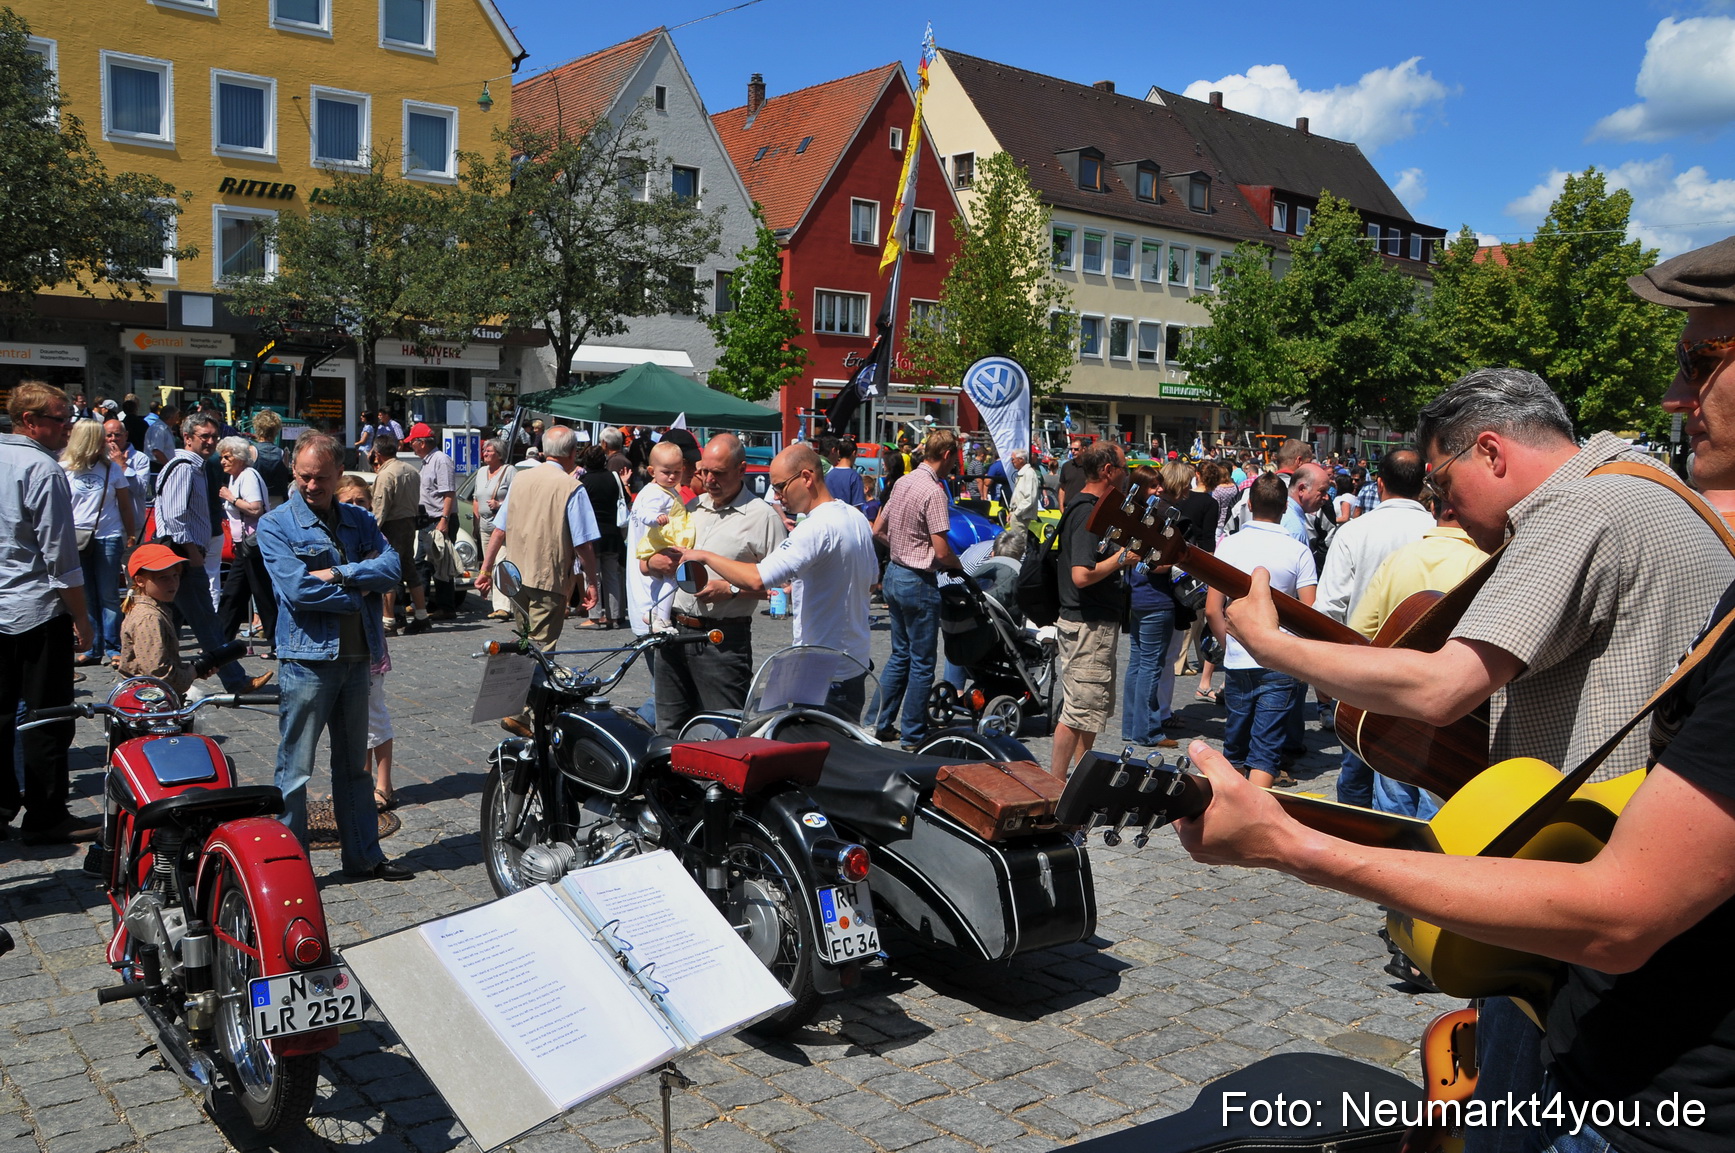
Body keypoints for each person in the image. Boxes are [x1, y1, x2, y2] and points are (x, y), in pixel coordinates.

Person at [1223, 366, 1735, 1153]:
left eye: (1444, 476)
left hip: (1570, 918)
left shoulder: (1575, 503)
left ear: (1491, 451)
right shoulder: (1665, 493)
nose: (1440, 502)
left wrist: (1272, 646)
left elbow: (1441, 686)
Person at [258, 434, 411, 880]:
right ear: (293, 471)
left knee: (354, 768)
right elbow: (297, 590)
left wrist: (340, 573)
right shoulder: (276, 525)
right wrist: (358, 593)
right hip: (307, 660)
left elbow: (393, 568)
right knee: (295, 771)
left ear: (340, 475)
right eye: (304, 476)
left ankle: (364, 857)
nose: (311, 485)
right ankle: (291, 871)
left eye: (321, 477)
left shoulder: (358, 519)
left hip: (358, 656)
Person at [679, 443, 876, 716]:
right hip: (852, 663)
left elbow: (759, 579)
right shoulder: (855, 517)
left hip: (822, 671)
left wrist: (704, 556)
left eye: (781, 486)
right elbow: (871, 582)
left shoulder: (815, 529)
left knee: (807, 752)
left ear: (806, 478)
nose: (777, 495)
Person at [1346, 488, 1487, 818]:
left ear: (1433, 507)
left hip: (1392, 700)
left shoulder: (1399, 558)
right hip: (1457, 710)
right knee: (1437, 807)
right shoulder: (1484, 564)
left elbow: (1361, 631)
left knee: (1392, 805)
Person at [1, 383, 99, 845]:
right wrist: (82, 618)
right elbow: (62, 560)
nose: (69, 427)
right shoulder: (42, 469)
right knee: (47, 716)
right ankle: (45, 815)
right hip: (36, 610)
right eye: (61, 419)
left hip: (8, 605)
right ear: (30, 421)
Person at [1311, 448, 1432, 807]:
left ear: (1379, 484)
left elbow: (1329, 607)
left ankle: (1357, 841)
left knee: (1357, 769)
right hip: (1425, 670)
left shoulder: (1354, 532)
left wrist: (1323, 674)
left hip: (1361, 668)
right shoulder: (1436, 530)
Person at [645, 434, 785, 733]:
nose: (708, 479)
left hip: (721, 640)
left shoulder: (762, 518)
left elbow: (783, 587)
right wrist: (651, 564)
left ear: (741, 469)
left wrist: (732, 588)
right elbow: (646, 558)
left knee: (722, 731)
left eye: (718, 473)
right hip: (673, 632)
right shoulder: (690, 508)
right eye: (703, 471)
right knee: (668, 729)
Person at [475, 425, 601, 737]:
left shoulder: (520, 480)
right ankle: (524, 713)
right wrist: (593, 581)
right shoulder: (571, 487)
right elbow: (584, 543)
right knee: (542, 648)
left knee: (523, 642)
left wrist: (486, 568)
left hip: (516, 577)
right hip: (549, 577)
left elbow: (499, 530)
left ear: (544, 451)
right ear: (572, 454)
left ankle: (517, 707)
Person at [1206, 474, 1318, 790]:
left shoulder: (1229, 545)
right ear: (1285, 507)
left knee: (1235, 743)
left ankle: (1226, 805)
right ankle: (1255, 815)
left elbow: (1213, 608)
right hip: (1280, 657)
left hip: (1240, 656)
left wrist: (1232, 645)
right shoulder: (1298, 551)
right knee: (1267, 749)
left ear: (1250, 504)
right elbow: (1309, 614)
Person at [153, 412, 269, 696]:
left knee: (172, 621)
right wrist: (193, 555)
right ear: (188, 438)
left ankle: (159, 676)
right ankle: (235, 679)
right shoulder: (184, 467)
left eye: (213, 436)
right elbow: (176, 518)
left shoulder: (197, 466)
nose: (210, 441)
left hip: (182, 555)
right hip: (182, 555)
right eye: (204, 436)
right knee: (206, 622)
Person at [873, 429, 965, 748]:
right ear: (946, 455)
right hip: (918, 580)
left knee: (900, 655)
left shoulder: (903, 481)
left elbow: (878, 529)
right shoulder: (934, 491)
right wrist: (958, 565)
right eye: (954, 457)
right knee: (923, 661)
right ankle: (913, 733)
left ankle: (880, 722)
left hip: (895, 573)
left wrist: (902, 547)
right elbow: (941, 551)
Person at [1049, 442, 1131, 779]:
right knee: (1077, 712)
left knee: (1089, 712)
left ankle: (1080, 782)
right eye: (1124, 469)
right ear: (1108, 471)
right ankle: (1053, 787)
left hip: (1092, 624)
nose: (1127, 477)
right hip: (1087, 626)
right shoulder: (1087, 511)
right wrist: (1122, 558)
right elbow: (1081, 575)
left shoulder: (1088, 506)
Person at [336, 475, 399, 812]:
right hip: (340, 644)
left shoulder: (377, 538)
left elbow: (381, 575)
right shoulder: (336, 535)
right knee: (352, 721)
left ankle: (384, 784)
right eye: (348, 501)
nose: (355, 507)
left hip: (368, 642)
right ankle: (359, 782)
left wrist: (343, 580)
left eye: (361, 501)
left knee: (375, 716)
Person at [61, 420, 136, 668]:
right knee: (87, 596)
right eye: (101, 437)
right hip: (77, 539)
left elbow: (125, 505)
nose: (108, 441)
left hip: (108, 536)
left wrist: (130, 533)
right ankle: (92, 647)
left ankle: (113, 647)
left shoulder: (111, 469)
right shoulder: (65, 469)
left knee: (108, 596)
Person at [1121, 466, 1176, 751]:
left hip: (1136, 597)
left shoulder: (1129, 516)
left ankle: (1132, 727)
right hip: (1155, 599)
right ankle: (1148, 731)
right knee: (1150, 667)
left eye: (1160, 485)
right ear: (1141, 488)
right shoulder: (1155, 519)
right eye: (1154, 486)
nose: (1160, 490)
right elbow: (1161, 564)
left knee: (1137, 664)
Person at [118, 544, 210, 694]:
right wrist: (189, 674)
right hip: (150, 699)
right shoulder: (149, 617)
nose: (173, 583)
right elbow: (158, 672)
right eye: (163, 578)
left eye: (175, 576)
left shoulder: (154, 609)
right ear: (140, 581)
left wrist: (187, 668)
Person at [215, 436, 275, 655]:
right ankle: (220, 641)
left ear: (239, 457)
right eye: (221, 457)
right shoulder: (235, 477)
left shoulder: (248, 476)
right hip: (244, 546)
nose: (222, 461)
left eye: (227, 456)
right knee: (234, 593)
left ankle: (279, 641)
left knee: (263, 594)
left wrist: (230, 498)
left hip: (255, 545)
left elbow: (256, 509)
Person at [632, 441, 698, 632]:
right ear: (652, 471)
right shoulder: (655, 492)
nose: (671, 477)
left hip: (666, 538)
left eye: (676, 472)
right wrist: (655, 518)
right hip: (664, 539)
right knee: (671, 579)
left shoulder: (666, 490)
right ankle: (662, 617)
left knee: (660, 580)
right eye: (666, 472)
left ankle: (653, 612)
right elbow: (645, 513)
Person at [370, 433, 431, 635]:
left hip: (392, 525)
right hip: (409, 523)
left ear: (377, 454)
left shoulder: (386, 475)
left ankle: (388, 621)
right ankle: (421, 615)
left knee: (388, 571)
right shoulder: (412, 471)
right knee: (409, 569)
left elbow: (380, 507)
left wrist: (371, 532)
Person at [408, 423, 459, 620]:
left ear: (421, 443)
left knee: (440, 564)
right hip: (426, 520)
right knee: (421, 562)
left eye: (412, 442)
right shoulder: (427, 461)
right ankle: (421, 603)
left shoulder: (441, 460)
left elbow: (449, 493)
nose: (411, 445)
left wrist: (444, 520)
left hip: (438, 520)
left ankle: (446, 607)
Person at [473, 437, 515, 621]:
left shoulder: (509, 471)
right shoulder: (481, 472)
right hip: (484, 526)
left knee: (500, 563)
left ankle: (503, 607)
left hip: (503, 526)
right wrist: (477, 518)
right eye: (484, 450)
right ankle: (495, 603)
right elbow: (476, 497)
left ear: (499, 454)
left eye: (489, 451)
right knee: (488, 565)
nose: (485, 453)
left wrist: (499, 504)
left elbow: (517, 497)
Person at [104, 417, 152, 514]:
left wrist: (122, 466)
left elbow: (140, 489)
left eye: (117, 435)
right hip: (107, 523)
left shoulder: (140, 458)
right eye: (109, 435)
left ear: (126, 435)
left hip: (133, 520)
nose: (113, 439)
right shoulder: (99, 458)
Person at [251, 410, 290, 504]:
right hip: (277, 502)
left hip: (256, 499)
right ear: (276, 430)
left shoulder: (251, 451)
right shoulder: (284, 453)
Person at [822, 435, 866, 511]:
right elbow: (857, 507)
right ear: (854, 453)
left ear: (838, 452)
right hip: (848, 519)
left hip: (829, 517)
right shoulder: (854, 477)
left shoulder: (828, 475)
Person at [1008, 449, 1041, 526]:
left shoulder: (1029, 474)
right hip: (1017, 515)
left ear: (1021, 460)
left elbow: (1030, 499)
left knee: (1019, 538)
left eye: (1013, 459)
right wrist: (1011, 512)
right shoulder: (1022, 474)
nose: (1011, 462)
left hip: (1022, 516)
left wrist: (1016, 513)